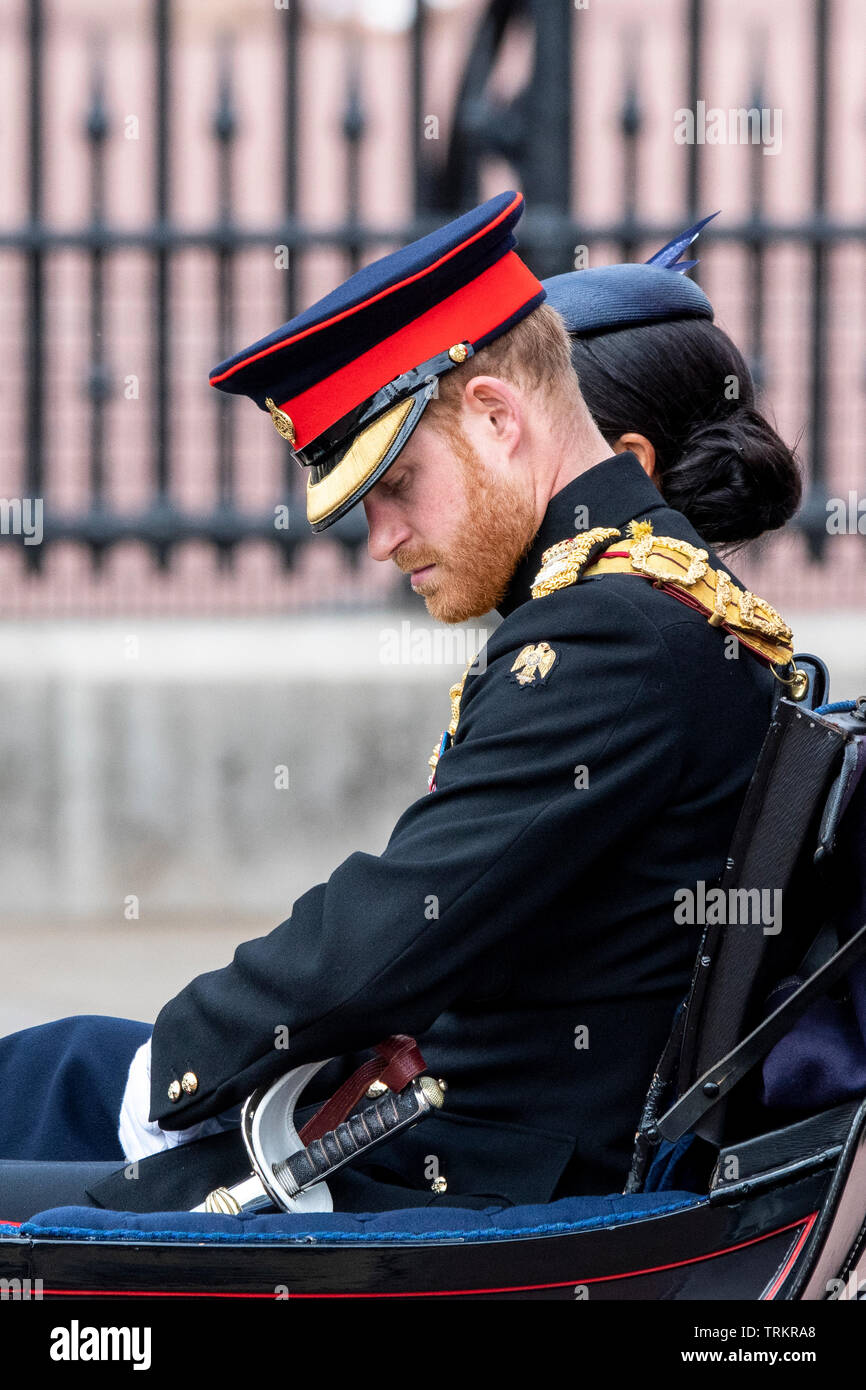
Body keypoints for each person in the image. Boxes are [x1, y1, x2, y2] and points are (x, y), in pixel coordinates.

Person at [0, 193, 802, 1221]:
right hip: (430, 1122)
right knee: (51, 1068)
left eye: (398, 483)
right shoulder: (648, 599)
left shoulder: (609, 636)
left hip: (456, 1173)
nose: (380, 540)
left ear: (496, 419)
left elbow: (385, 933)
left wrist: (172, 1087)